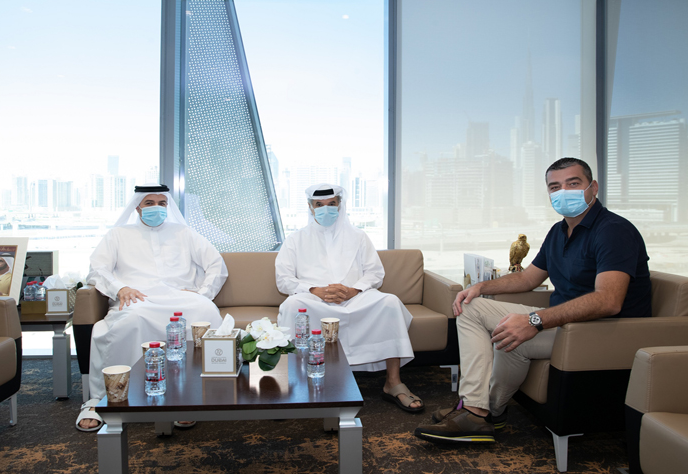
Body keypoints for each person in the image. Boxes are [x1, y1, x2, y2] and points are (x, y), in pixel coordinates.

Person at [414, 157, 651, 443]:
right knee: (471, 306)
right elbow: (527, 278)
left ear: (594, 188)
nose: (563, 192)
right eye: (555, 187)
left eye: (573, 183)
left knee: (510, 335)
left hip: (603, 330)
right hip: (567, 322)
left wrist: (534, 320)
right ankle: (479, 409)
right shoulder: (559, 231)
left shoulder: (613, 230)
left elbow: (608, 301)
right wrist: (481, 286)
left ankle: (480, 413)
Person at [76, 185, 227, 431]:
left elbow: (216, 264)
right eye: (149, 203)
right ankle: (106, 398)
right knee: (131, 320)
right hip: (139, 299)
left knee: (206, 311)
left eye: (162, 203)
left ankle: (190, 398)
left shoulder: (184, 233)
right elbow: (97, 270)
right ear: (137, 207)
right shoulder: (118, 235)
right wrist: (120, 288)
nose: (157, 208)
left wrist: (203, 293)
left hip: (180, 297)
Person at [276, 183, 423, 413]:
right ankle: (292, 384)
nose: (325, 209)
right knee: (292, 305)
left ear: (339, 205)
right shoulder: (295, 239)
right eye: (319, 204)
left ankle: (393, 382)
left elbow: (375, 273)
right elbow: (283, 280)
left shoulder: (358, 236)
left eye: (331, 204)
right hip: (314, 301)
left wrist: (353, 290)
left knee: (390, 302)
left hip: (355, 299)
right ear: (310, 207)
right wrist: (314, 290)